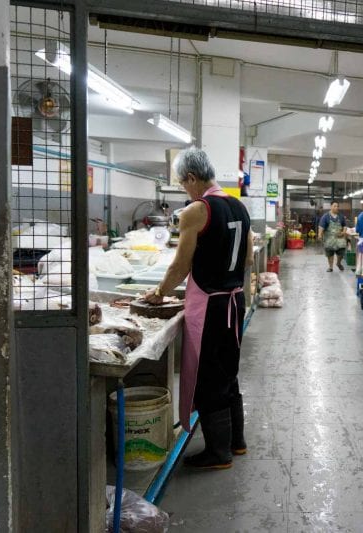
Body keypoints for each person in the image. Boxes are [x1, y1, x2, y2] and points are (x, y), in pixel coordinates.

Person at [144, 148, 253, 470]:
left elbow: (180, 265)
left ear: (192, 178)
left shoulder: (197, 210)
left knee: (208, 378)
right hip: (234, 299)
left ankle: (218, 454)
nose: (184, 190)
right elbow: (246, 259)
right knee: (227, 373)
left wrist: (159, 293)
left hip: (211, 307)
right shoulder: (239, 206)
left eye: (182, 184)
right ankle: (236, 442)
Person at [318, 201, 348, 272]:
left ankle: (338, 263)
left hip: (339, 238)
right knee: (330, 253)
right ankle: (330, 267)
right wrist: (320, 234)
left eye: (337, 206)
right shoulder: (325, 216)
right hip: (329, 239)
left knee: (341, 251)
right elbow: (321, 226)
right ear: (331, 206)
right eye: (335, 206)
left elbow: (345, 226)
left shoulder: (341, 216)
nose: (336, 208)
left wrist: (343, 232)